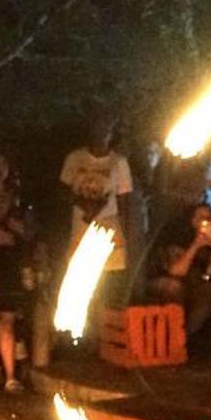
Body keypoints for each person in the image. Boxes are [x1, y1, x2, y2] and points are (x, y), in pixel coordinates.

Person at [58, 109, 134, 339]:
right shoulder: (75, 158)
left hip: (107, 229)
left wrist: (127, 232)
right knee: (81, 281)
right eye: (97, 128)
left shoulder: (119, 162)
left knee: (107, 282)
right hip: (81, 226)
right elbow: (62, 189)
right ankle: (82, 335)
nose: (102, 134)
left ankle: (106, 337)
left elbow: (124, 199)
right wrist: (82, 202)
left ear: (112, 133)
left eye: (107, 130)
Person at [147, 201, 211, 349]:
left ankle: (183, 338)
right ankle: (173, 338)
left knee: (210, 295)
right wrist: (196, 245)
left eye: (209, 218)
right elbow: (176, 272)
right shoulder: (182, 238)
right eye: (201, 218)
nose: (206, 222)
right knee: (175, 287)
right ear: (193, 221)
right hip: (176, 282)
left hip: (202, 285)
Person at [0, 153, 36, 393]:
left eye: (3, 164)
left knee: (8, 318)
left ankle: (11, 374)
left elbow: (30, 233)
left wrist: (18, 230)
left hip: (11, 260)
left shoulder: (17, 200)